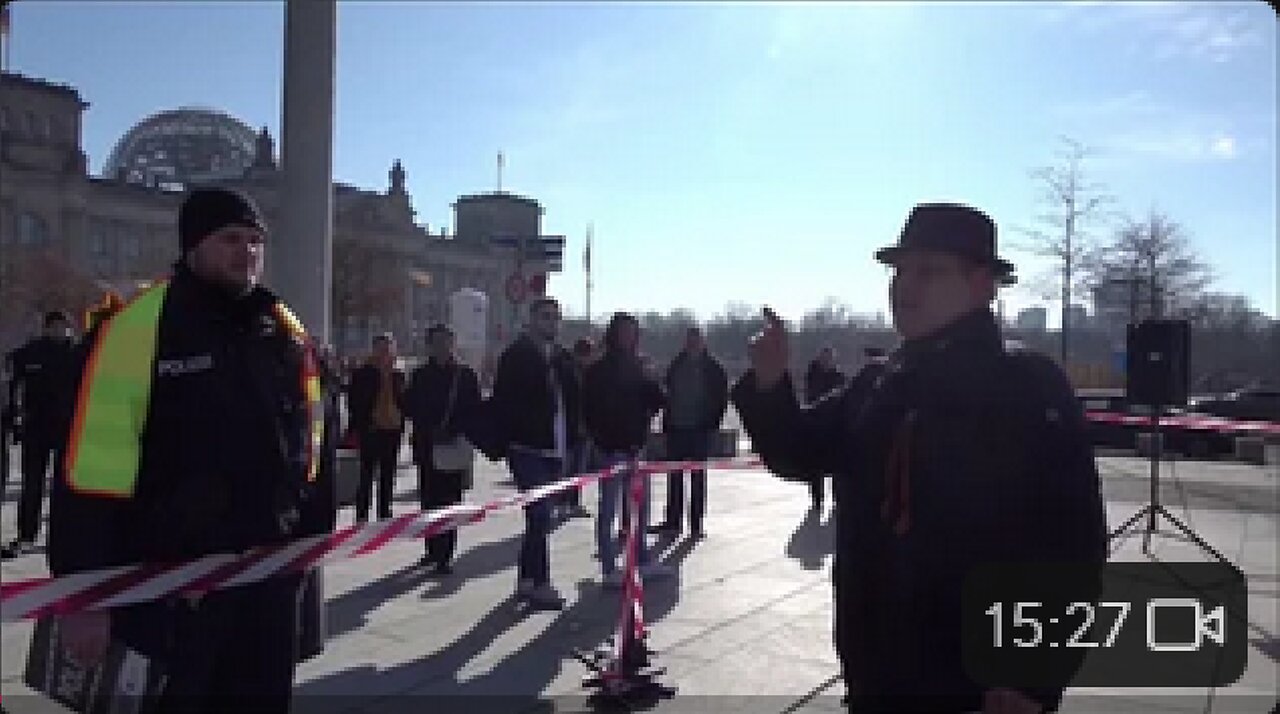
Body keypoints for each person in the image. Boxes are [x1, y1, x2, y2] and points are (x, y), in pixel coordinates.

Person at [731, 203, 1106, 713]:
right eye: (900, 270)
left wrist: (1034, 678)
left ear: (982, 285)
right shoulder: (879, 382)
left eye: (929, 271)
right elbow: (800, 453)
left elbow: (1072, 545)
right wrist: (771, 385)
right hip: (876, 674)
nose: (904, 286)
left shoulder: (1027, 387)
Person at [47, 187, 332, 712]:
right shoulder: (137, 330)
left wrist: (313, 545)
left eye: (254, 241)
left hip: (267, 578)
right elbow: (89, 470)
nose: (246, 252)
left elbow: (310, 442)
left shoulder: (281, 327)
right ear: (194, 245)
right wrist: (83, 594)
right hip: (172, 588)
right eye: (230, 239)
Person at [490, 296, 580, 609]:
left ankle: (526, 579)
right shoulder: (516, 356)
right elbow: (505, 400)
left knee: (538, 519)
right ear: (531, 320)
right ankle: (541, 583)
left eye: (555, 317)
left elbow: (574, 398)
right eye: (545, 316)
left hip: (556, 446)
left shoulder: (562, 357)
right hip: (526, 447)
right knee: (540, 513)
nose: (551, 322)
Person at [583, 312, 673, 587]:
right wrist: (599, 438)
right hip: (610, 448)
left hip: (636, 446)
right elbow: (588, 408)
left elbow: (657, 401)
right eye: (623, 332)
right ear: (613, 334)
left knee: (639, 507)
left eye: (632, 332)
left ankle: (642, 559)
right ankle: (610, 567)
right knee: (608, 508)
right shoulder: (599, 369)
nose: (628, 337)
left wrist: (653, 380)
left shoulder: (638, 366)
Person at [1, 310, 79, 559]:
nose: (59, 331)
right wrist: (14, 416)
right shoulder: (30, 353)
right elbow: (11, 380)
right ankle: (26, 534)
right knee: (32, 483)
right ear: (46, 328)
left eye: (62, 327)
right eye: (54, 326)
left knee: (64, 486)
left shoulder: (77, 353)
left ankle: (64, 536)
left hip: (67, 428)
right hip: (36, 428)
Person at [405, 323, 481, 575]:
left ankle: (445, 554)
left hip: (454, 445)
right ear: (429, 345)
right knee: (429, 499)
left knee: (451, 501)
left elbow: (473, 409)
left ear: (452, 344)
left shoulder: (465, 375)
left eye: (446, 342)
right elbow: (410, 407)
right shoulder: (419, 375)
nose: (442, 347)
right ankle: (431, 547)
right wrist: (429, 428)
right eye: (437, 342)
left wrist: (454, 429)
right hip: (427, 446)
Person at [651, 326, 728, 539]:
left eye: (696, 340)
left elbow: (721, 399)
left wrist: (712, 424)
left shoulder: (714, 368)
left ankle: (696, 524)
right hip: (676, 429)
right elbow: (667, 395)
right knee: (674, 477)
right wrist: (666, 424)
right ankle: (673, 521)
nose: (692, 344)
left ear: (703, 342)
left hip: (700, 430)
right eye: (689, 340)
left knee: (697, 478)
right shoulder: (676, 365)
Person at [346, 333, 406, 523]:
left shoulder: (398, 373)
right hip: (371, 428)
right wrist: (362, 423)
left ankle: (384, 512)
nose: (384, 352)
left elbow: (404, 399)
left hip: (393, 428)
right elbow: (354, 401)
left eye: (388, 348)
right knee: (367, 474)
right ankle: (362, 514)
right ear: (374, 349)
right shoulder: (364, 372)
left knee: (388, 473)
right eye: (381, 348)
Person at [555, 336, 596, 521]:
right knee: (566, 470)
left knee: (579, 470)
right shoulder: (567, 372)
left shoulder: (589, 374)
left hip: (584, 429)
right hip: (570, 429)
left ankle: (574, 503)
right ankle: (562, 503)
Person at [801, 345, 846, 511]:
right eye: (824, 357)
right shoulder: (812, 375)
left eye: (829, 358)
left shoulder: (839, 377)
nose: (827, 361)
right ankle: (817, 498)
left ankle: (836, 497)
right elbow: (809, 397)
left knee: (836, 464)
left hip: (833, 425)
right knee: (814, 465)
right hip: (816, 424)